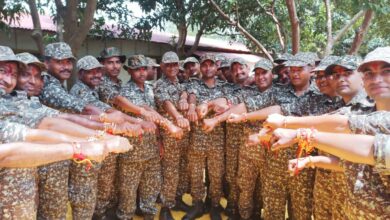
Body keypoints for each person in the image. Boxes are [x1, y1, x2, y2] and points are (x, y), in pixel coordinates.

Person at [116, 55, 179, 220]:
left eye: (144, 68)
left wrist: (159, 142)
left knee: (151, 187)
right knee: (128, 191)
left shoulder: (150, 89)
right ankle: (126, 216)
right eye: (137, 69)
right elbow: (147, 111)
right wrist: (169, 125)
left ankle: (149, 215)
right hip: (133, 151)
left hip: (151, 148)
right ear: (129, 71)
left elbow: (155, 115)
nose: (141, 72)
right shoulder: (125, 91)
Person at [154, 51, 191, 220]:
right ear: (162, 66)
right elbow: (166, 103)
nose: (172, 68)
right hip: (169, 133)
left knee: (183, 167)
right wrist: (178, 116)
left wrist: (184, 98)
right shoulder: (160, 84)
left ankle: (177, 198)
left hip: (183, 133)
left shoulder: (177, 82)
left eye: (175, 64)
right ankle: (166, 206)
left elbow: (184, 92)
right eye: (168, 65)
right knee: (170, 170)